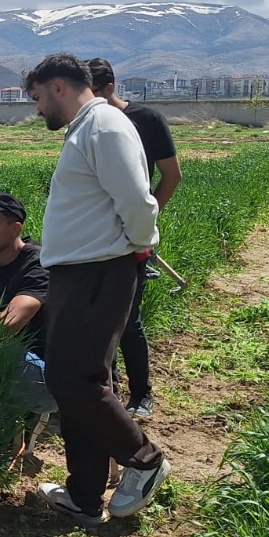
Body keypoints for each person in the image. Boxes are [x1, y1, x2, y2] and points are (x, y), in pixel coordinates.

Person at [25, 53, 169, 526]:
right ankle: (84, 494)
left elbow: (136, 197)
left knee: (75, 381)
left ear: (59, 88)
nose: (38, 108)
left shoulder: (104, 126)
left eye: (38, 98)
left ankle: (145, 461)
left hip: (98, 271)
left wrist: (139, 246)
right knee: (79, 385)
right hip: (77, 272)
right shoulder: (87, 128)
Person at [88, 57, 183, 419]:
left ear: (110, 89)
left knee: (128, 320)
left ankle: (141, 394)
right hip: (96, 239)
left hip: (133, 241)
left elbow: (171, 175)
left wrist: (146, 219)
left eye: (93, 93)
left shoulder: (146, 121)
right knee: (96, 321)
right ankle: (106, 393)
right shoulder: (83, 124)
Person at [0, 191, 55, 419]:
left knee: (0, 349)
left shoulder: (38, 263)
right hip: (23, 362)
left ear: (16, 228)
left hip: (53, 377)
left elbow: (7, 324)